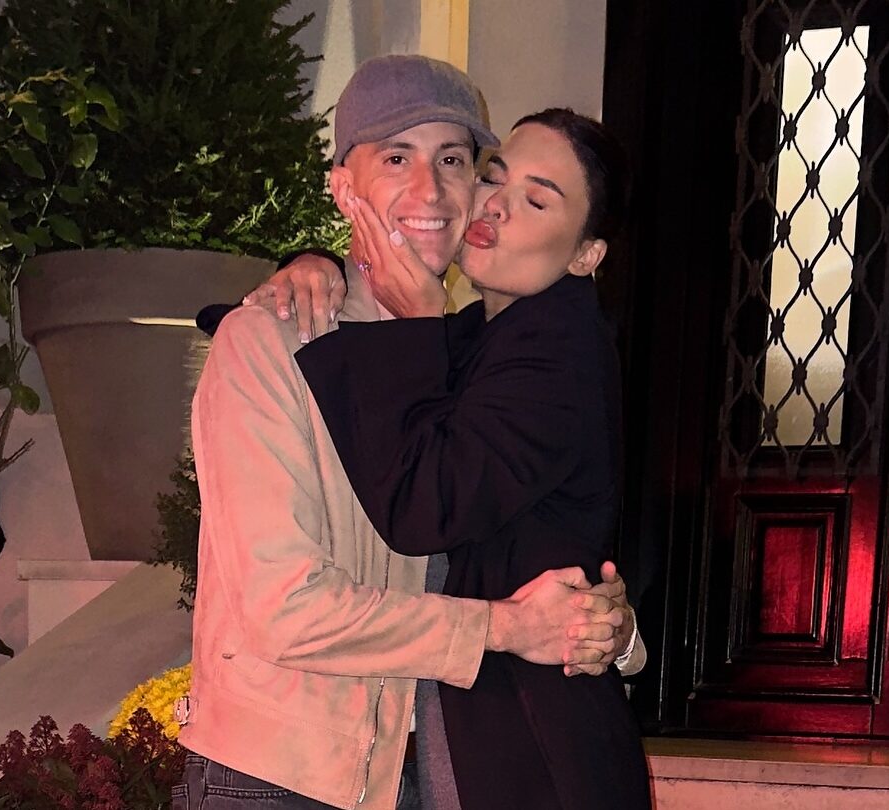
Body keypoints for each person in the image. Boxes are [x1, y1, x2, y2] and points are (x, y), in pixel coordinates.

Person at [178, 56, 642, 810]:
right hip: (280, 775)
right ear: (343, 187)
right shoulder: (267, 343)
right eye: (397, 158)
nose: (431, 190)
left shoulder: (471, 349)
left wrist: (607, 625)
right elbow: (283, 609)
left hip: (417, 765)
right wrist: (506, 628)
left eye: (454, 161)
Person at [295, 108, 650, 810]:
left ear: (586, 255)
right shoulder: (490, 334)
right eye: (495, 178)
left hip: (535, 744)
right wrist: (313, 269)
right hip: (497, 726)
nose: (496, 206)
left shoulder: (557, 352)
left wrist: (415, 323)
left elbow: (424, 506)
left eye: (537, 201)